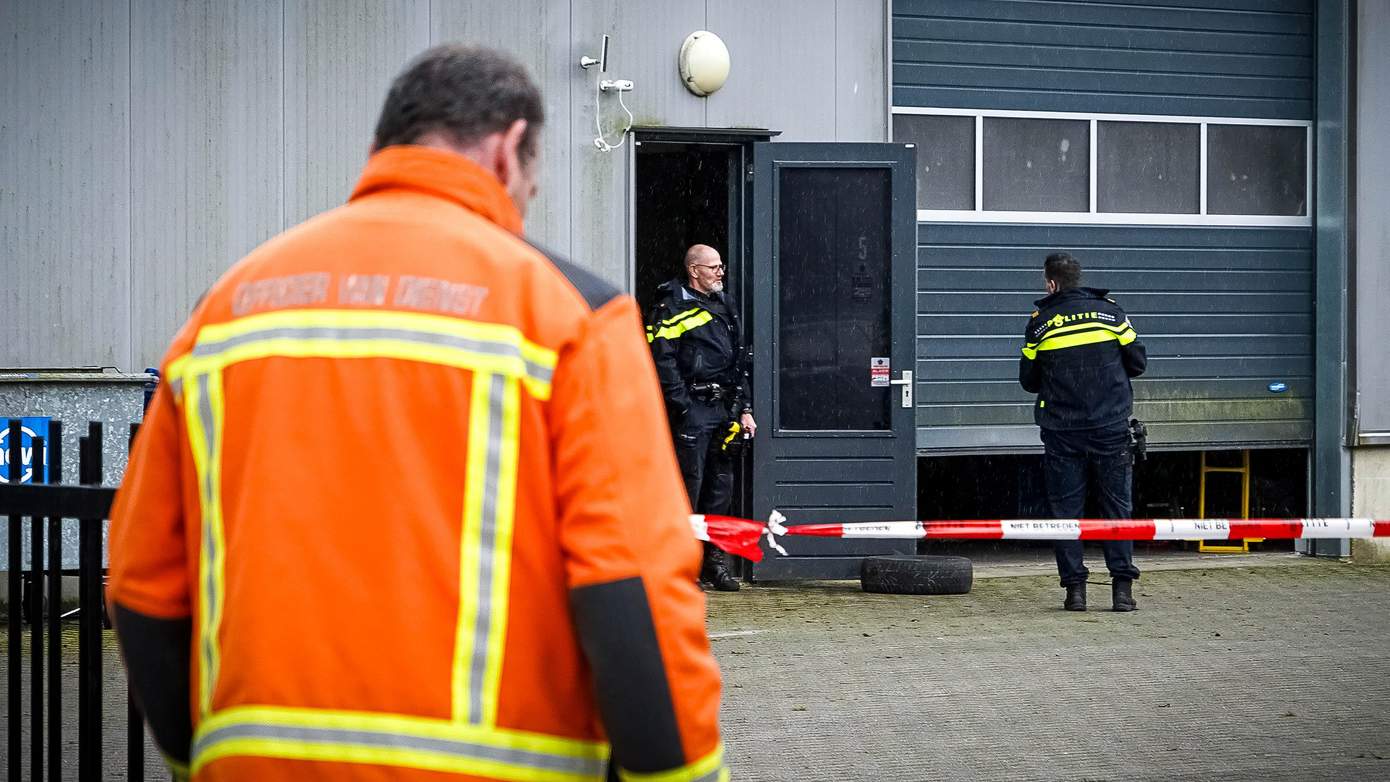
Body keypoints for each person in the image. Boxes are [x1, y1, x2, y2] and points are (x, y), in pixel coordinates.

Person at [107, 45, 727, 782]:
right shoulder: (571, 317)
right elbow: (633, 594)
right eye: (531, 186)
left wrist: (195, 756)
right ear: (506, 153)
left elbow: (141, 584)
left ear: (381, 150)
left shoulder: (225, 312)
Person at [1019, 253, 1147, 613]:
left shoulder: (1040, 323)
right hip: (1110, 427)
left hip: (1062, 430)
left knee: (1066, 512)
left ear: (1051, 284)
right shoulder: (1112, 313)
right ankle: (1122, 592)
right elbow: (1138, 363)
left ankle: (1075, 592)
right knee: (1117, 508)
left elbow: (1028, 381)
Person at [646, 245, 756, 592]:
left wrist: (746, 408)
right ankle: (681, 565)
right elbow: (662, 363)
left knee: (719, 491)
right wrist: (683, 407)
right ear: (694, 270)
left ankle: (714, 563)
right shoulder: (670, 307)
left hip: (725, 409)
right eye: (714, 267)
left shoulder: (725, 303)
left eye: (721, 266)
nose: (720, 273)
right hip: (693, 408)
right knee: (687, 491)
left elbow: (740, 361)